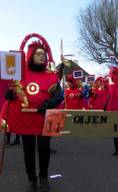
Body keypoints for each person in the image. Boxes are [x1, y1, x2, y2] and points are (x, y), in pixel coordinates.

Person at [2, 40, 63, 191]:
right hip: (25, 117)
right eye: (38, 54)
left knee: (43, 147)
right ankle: (31, 178)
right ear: (30, 55)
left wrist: (47, 104)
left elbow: (59, 96)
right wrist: (9, 94)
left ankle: (43, 177)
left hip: (45, 116)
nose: (42, 57)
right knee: (28, 150)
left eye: (43, 54)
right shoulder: (19, 74)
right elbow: (12, 93)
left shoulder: (52, 75)